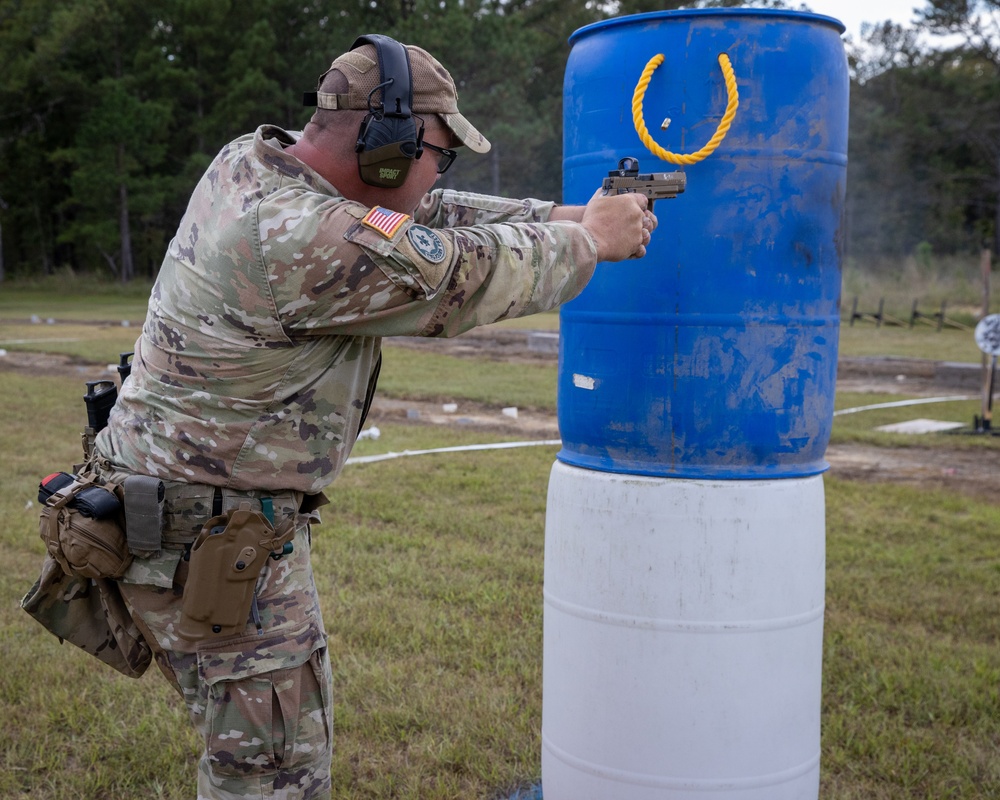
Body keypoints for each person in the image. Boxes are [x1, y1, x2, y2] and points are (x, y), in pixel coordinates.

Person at [91, 34, 656, 800]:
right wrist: (586, 241)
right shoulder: (301, 236)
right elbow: (453, 273)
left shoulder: (253, 162)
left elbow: (424, 211)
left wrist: (559, 212)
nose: (438, 174)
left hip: (186, 516)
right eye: (438, 153)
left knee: (264, 764)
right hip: (208, 542)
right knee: (272, 778)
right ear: (387, 146)